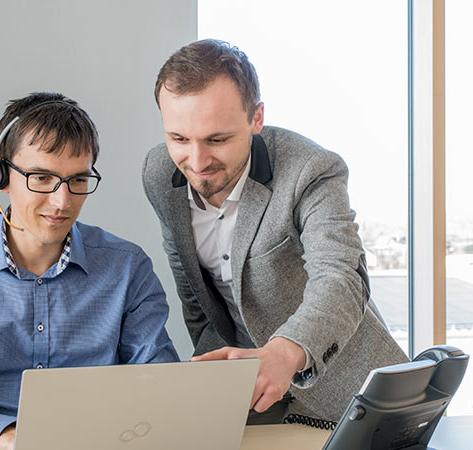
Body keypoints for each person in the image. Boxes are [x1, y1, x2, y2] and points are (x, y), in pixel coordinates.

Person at [142, 39, 408, 424]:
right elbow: (193, 289)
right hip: (247, 399)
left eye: (217, 139)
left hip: (348, 400)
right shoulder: (159, 173)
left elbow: (341, 277)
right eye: (179, 139)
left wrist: (283, 354)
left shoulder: (310, 170)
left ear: (256, 118)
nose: (196, 162)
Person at [0, 92, 179, 450]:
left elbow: (161, 389)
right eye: (41, 178)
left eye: (78, 180)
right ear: (0, 176)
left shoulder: (127, 268)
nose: (62, 202)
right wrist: (8, 439)